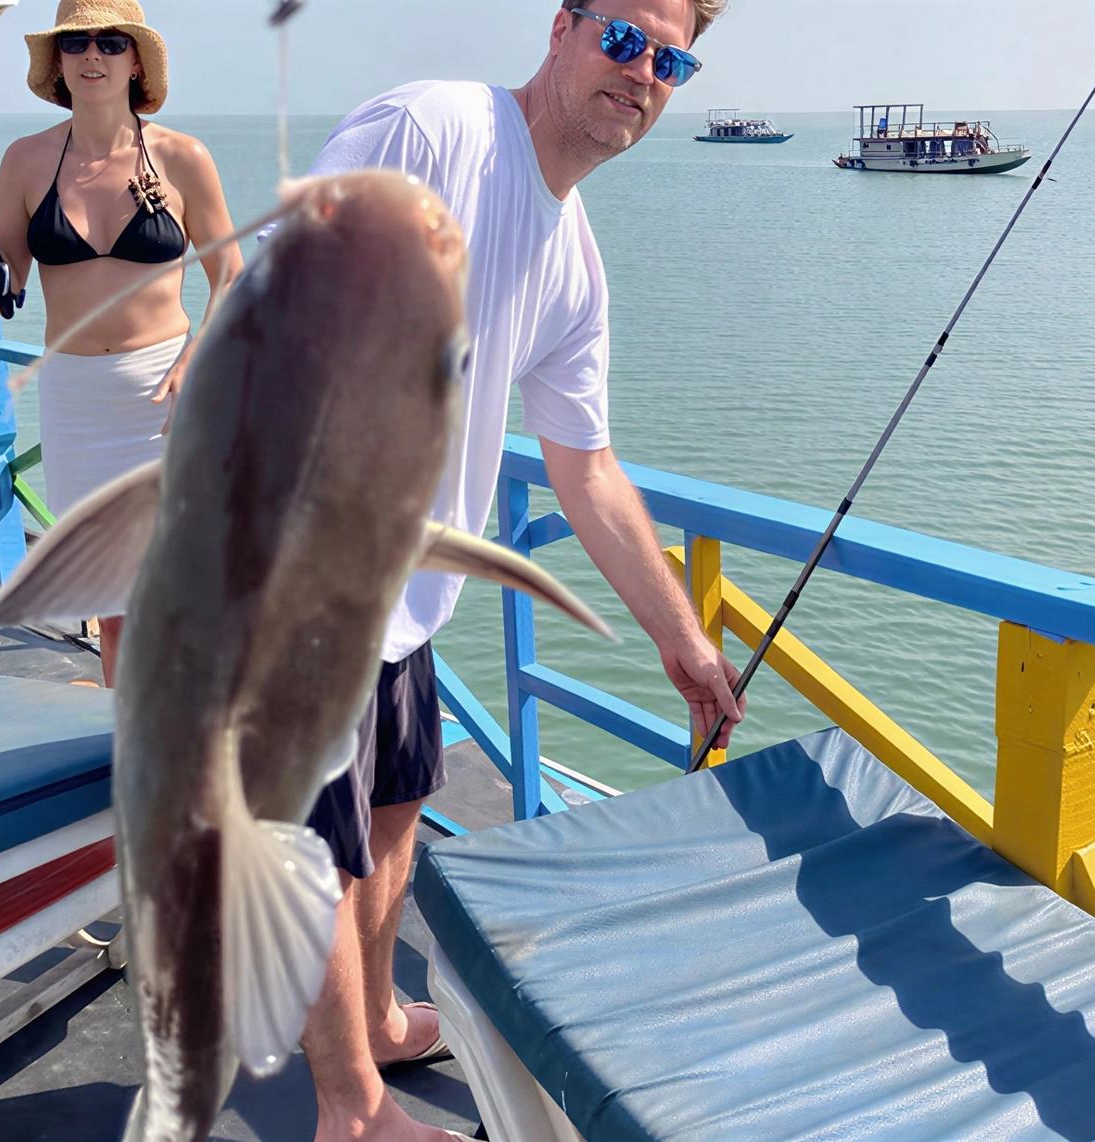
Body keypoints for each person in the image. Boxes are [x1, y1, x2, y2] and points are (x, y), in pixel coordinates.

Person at [289, 1, 739, 1138]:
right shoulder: (432, 132)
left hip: (410, 590)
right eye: (624, 38)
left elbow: (585, 468)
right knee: (317, 851)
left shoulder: (574, 262)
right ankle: (349, 1108)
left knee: (397, 810)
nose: (643, 73)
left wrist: (681, 637)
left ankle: (377, 1016)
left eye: (671, 60)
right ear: (562, 27)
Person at [0, 0, 240, 687]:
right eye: (76, 42)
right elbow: (4, 295)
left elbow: (230, 274)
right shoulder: (25, 160)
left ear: (136, 61)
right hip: (77, 402)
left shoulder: (183, 156)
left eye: (111, 42)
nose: (93, 55)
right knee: (112, 607)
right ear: (57, 61)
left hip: (169, 396)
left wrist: (201, 353)